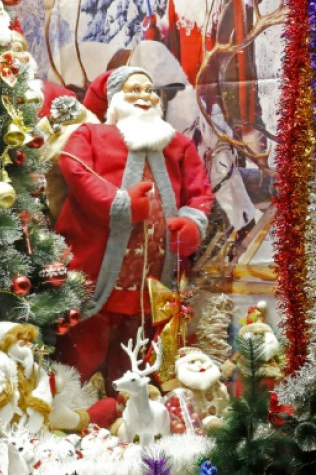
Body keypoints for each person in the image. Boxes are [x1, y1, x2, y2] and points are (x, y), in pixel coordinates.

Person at [53, 66, 215, 391]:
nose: (144, 96)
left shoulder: (178, 145)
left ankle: (129, 416)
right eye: (134, 89)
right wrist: (120, 203)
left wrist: (191, 224)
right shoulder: (90, 135)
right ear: (115, 98)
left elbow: (200, 193)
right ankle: (76, 414)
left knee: (136, 359)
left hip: (152, 287)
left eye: (149, 90)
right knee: (83, 355)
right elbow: (75, 169)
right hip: (96, 275)